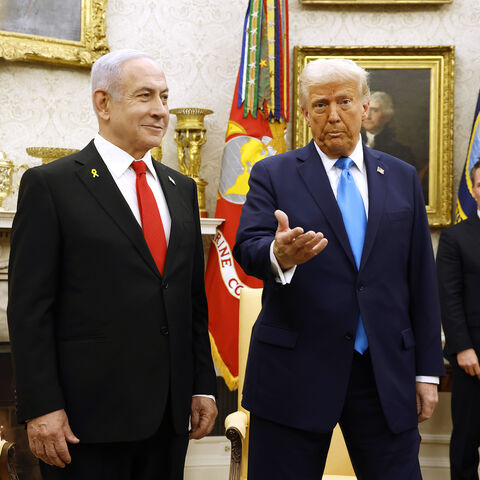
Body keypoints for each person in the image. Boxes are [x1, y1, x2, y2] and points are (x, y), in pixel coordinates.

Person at [7, 49, 217, 480]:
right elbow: (30, 310)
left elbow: (191, 300)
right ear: (103, 103)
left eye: (164, 97)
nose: (161, 111)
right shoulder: (53, 185)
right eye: (145, 96)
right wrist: (42, 406)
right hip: (87, 423)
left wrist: (201, 385)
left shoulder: (181, 189)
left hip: (169, 418)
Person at [233, 58, 444, 480]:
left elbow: (420, 278)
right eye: (320, 105)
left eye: (344, 101)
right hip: (295, 373)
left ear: (365, 107)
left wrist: (427, 372)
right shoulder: (273, 173)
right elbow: (248, 246)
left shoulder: (401, 176)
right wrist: (279, 255)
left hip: (383, 373)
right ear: (306, 113)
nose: (333, 115)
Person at [437, 159, 480, 480]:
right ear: (474, 191)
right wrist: (462, 347)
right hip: (473, 357)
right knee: (467, 439)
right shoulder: (455, 238)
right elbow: (448, 298)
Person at [362, 91, 428, 200]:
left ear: (387, 117)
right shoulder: (350, 145)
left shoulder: (401, 152)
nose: (368, 116)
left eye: (374, 110)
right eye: (366, 110)